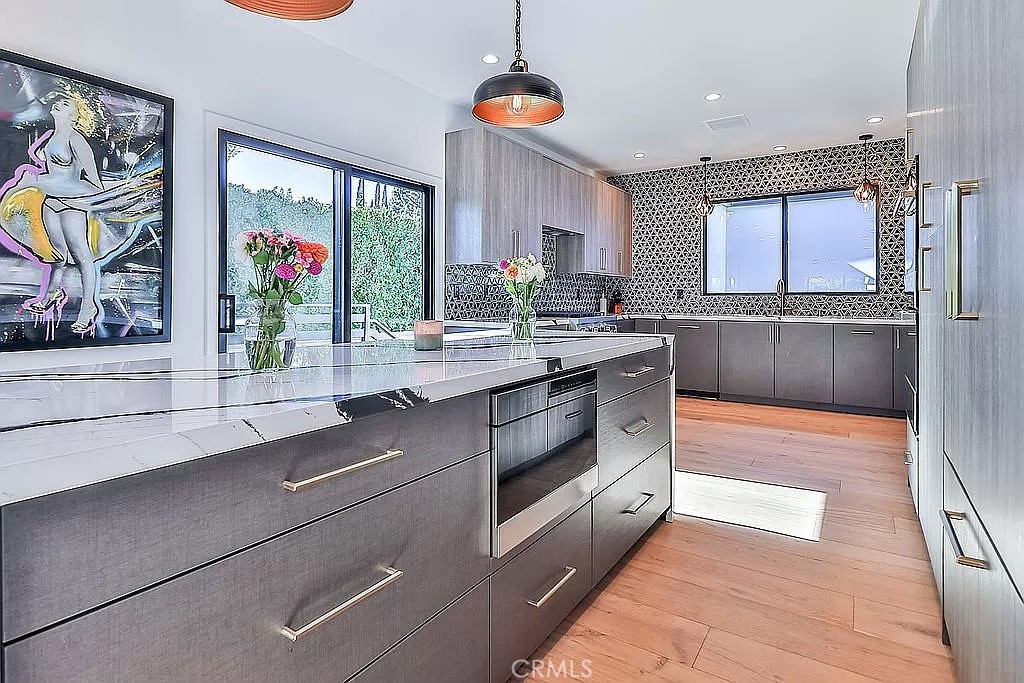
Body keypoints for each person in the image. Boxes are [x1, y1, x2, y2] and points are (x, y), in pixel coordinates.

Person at [0, 91, 161, 336]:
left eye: (65, 104)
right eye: (58, 102)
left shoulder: (76, 140)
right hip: (51, 203)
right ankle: (53, 292)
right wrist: (40, 184)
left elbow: (93, 184)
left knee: (82, 256)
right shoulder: (51, 137)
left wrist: (38, 183)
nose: (58, 105)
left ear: (74, 116)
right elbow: (53, 174)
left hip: (72, 204)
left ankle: (89, 307)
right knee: (57, 255)